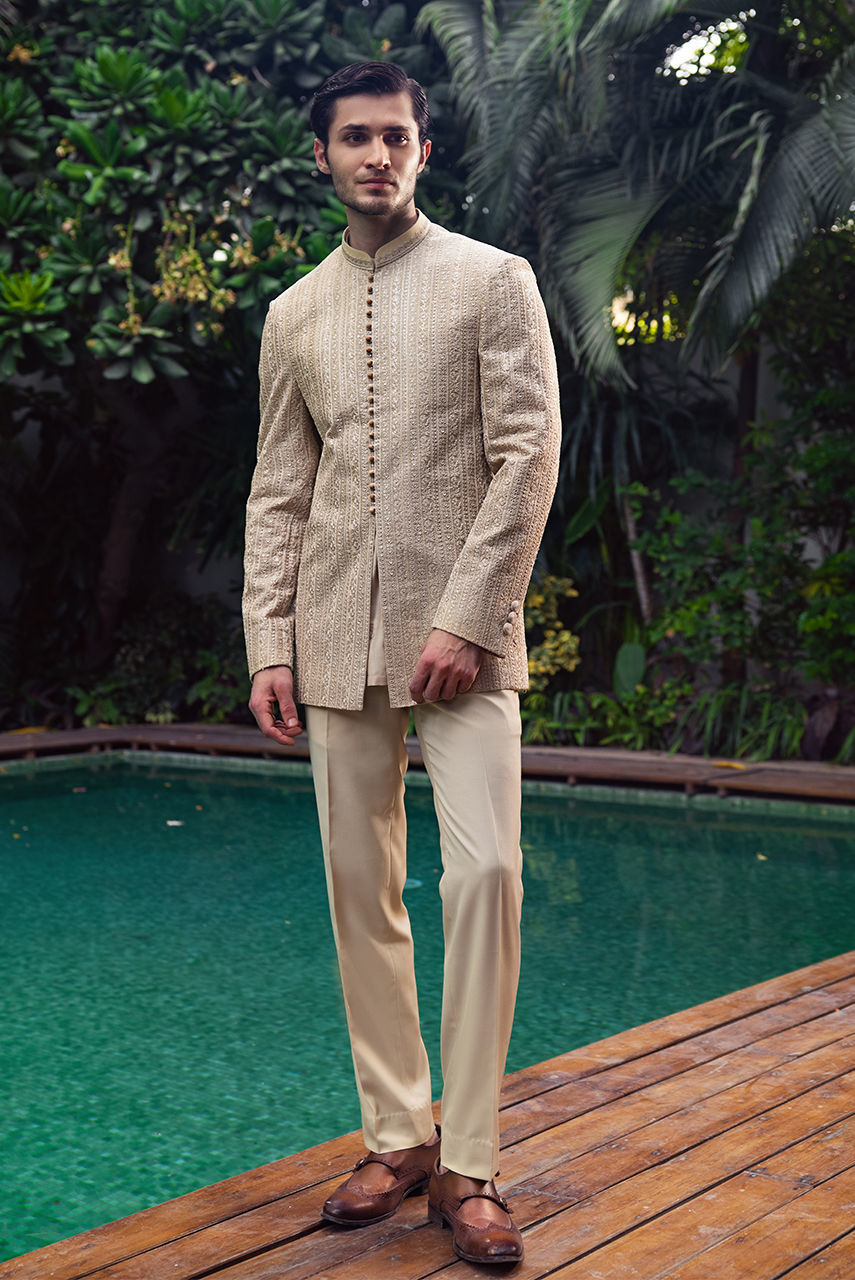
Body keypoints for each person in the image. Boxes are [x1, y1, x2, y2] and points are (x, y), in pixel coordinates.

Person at [243, 61, 560, 1266]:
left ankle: (471, 1157)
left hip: (464, 640)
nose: (376, 155)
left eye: (396, 136)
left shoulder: (492, 279)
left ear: (425, 149)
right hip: (330, 633)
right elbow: (280, 491)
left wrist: (469, 615)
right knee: (357, 889)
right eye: (355, 137)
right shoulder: (293, 314)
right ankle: (397, 1133)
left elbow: (528, 453)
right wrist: (269, 640)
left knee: (487, 876)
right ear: (323, 154)